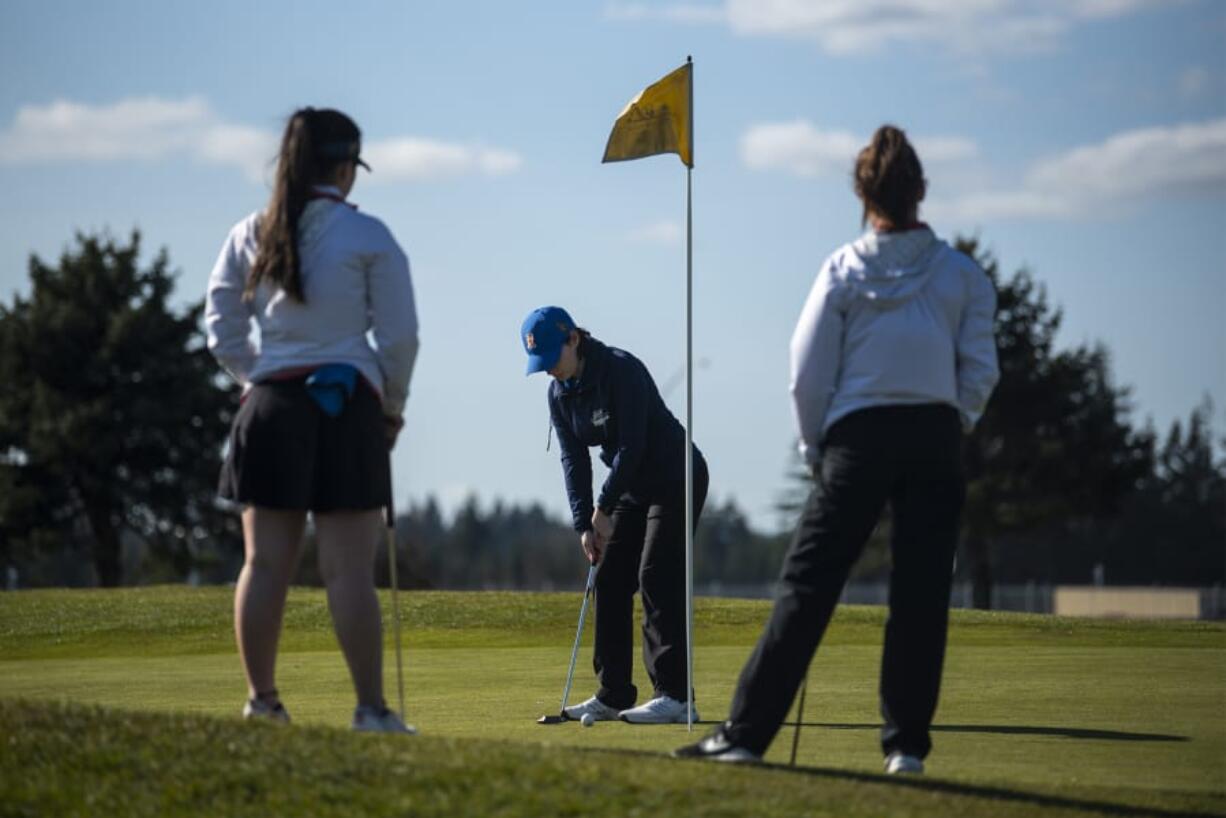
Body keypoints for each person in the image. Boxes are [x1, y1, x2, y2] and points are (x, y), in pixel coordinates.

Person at [675, 125, 999, 771]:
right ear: (921, 191)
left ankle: (744, 737)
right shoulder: (962, 274)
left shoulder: (843, 267)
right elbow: (980, 367)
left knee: (808, 583)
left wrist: (814, 445)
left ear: (861, 192)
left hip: (858, 438)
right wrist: (953, 419)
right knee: (922, 590)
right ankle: (906, 747)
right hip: (934, 433)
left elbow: (807, 370)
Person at [205, 107, 420, 733]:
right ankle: (370, 711)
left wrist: (263, 377)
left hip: (270, 408)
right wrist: (391, 408)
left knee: (264, 563)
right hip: (347, 406)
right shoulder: (370, 236)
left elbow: (221, 328)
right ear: (346, 167)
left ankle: (263, 703)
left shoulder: (252, 229)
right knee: (348, 569)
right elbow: (401, 339)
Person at [522, 306, 708, 724]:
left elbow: (633, 447)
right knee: (607, 576)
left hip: (676, 475)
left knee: (656, 575)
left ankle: (676, 696)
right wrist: (583, 524)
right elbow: (573, 461)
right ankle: (614, 693)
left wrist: (604, 508)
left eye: (554, 357)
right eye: (543, 364)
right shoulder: (559, 394)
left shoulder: (621, 370)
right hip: (632, 487)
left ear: (573, 339)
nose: (550, 370)